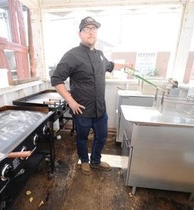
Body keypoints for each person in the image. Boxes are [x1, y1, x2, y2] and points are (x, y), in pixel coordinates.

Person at [51, 16, 133, 175]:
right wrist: (71, 102)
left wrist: (126, 65)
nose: (91, 32)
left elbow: (110, 66)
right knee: (82, 138)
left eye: (94, 29)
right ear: (80, 34)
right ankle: (84, 160)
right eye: (87, 29)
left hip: (100, 110)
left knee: (101, 137)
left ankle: (95, 160)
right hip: (82, 111)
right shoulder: (72, 55)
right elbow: (56, 79)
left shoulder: (100, 55)